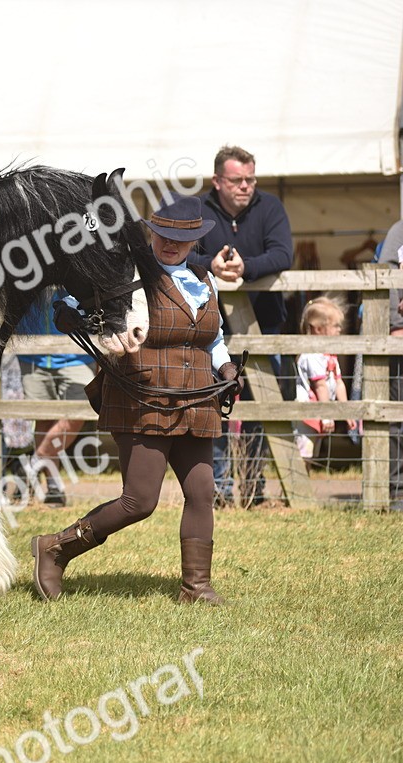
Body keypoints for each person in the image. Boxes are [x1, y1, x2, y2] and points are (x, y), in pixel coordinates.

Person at [32, 195, 242, 605]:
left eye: (180, 239)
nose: (170, 245)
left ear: (195, 240)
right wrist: (66, 310)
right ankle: (55, 548)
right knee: (139, 501)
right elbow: (71, 302)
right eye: (163, 235)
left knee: (201, 492)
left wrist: (228, 369)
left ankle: (196, 587)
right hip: (141, 397)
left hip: (197, 399)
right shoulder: (126, 274)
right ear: (151, 231)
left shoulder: (204, 278)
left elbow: (214, 339)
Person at [187, 145, 294, 508]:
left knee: (260, 407)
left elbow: (283, 254)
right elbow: (178, 251)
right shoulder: (198, 209)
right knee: (212, 406)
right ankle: (216, 490)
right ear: (218, 180)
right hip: (209, 328)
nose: (245, 186)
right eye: (237, 180)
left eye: (250, 179)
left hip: (265, 324)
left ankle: (252, 488)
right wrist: (209, 264)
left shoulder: (271, 207)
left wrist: (245, 267)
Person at [14, 293, 96, 506]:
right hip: (32, 354)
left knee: (79, 412)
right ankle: (53, 487)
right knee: (43, 420)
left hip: (78, 353)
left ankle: (32, 464)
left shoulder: (77, 261)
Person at [292, 297, 357, 462]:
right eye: (335, 325)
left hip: (320, 412)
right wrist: (326, 415)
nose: (339, 329)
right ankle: (299, 487)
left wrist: (346, 411)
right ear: (318, 329)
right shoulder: (312, 356)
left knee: (311, 456)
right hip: (308, 414)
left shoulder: (329, 355)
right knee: (303, 456)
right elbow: (320, 386)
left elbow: (339, 383)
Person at [376, 218, 403, 511]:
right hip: (401, 336)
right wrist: (396, 324)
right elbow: (384, 275)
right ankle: (397, 490)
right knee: (396, 415)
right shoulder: (399, 231)